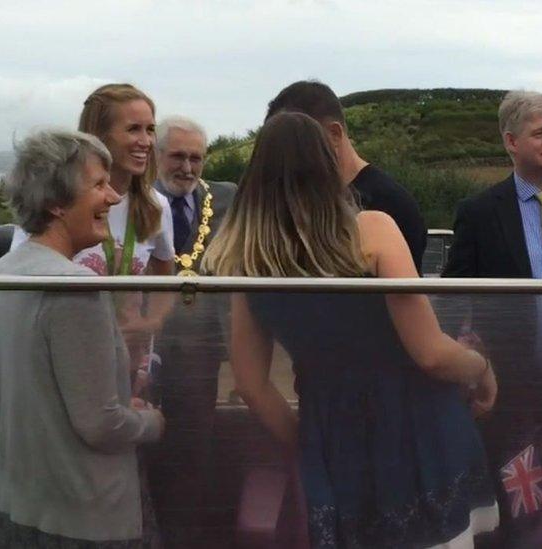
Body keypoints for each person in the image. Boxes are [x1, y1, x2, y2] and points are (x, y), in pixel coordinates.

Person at [203, 112, 499, 548]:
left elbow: (250, 384)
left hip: (334, 441)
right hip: (420, 433)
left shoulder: (247, 259)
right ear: (328, 166)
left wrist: (308, 442)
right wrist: (482, 367)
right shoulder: (372, 232)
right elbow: (431, 354)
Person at [0, 128, 164, 547]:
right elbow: (100, 425)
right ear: (57, 203)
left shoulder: (3, 272)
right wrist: (151, 422)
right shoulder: (74, 287)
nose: (114, 197)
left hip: (20, 508)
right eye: (99, 185)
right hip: (83, 521)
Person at [442, 91, 542, 541]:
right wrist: (465, 352)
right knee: (519, 508)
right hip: (510, 388)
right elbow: (453, 296)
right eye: (540, 133)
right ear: (511, 141)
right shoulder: (478, 213)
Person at [0, 83, 176, 395]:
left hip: (126, 366)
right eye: (133, 129)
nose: (146, 141)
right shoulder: (62, 200)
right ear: (101, 135)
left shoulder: (156, 207)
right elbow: (23, 281)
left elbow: (166, 275)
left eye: (150, 129)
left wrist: (151, 323)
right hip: (65, 367)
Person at [147, 115, 236, 547]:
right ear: (158, 155)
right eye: (177, 156)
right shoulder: (134, 199)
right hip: (139, 346)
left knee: (193, 451)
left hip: (200, 354)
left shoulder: (227, 199)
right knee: (139, 449)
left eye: (196, 157)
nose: (187, 167)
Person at [264, 80, 427, 268]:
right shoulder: (284, 201)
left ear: (334, 133)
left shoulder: (391, 205)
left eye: (298, 140)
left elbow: (404, 292)